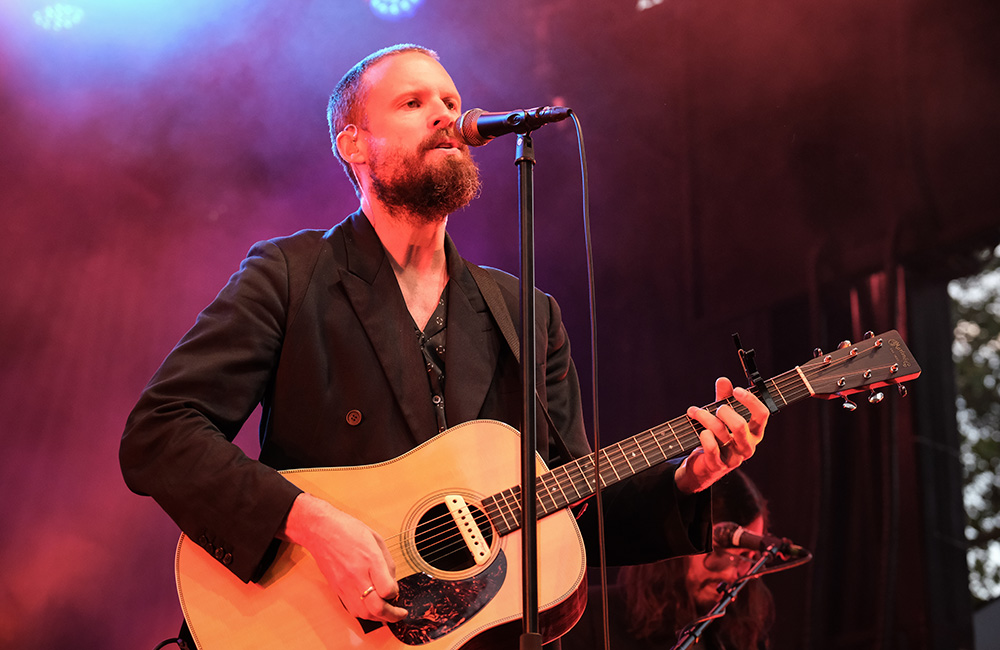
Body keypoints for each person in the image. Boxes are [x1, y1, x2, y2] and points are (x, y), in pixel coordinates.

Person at [119, 43, 770, 646]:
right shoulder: (289, 276)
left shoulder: (528, 313)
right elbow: (160, 431)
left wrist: (690, 476)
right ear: (353, 143)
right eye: (413, 102)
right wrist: (312, 522)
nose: (446, 116)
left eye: (451, 101)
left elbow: (572, 507)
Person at [561, 470, 775, 650]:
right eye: (718, 552)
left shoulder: (739, 636)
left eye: (747, 557)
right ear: (681, 539)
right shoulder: (588, 616)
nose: (731, 574)